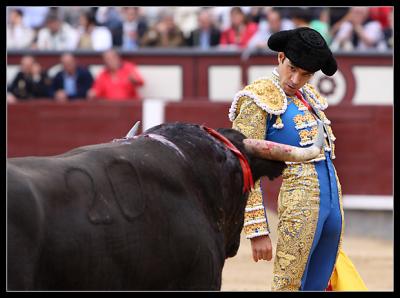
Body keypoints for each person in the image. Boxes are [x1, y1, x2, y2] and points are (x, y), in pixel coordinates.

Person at [229, 27, 366, 291]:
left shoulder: (310, 99)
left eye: (305, 75)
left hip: (332, 205)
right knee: (289, 285)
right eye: (292, 68)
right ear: (280, 57)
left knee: (320, 284)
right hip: (299, 204)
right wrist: (257, 229)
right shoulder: (257, 97)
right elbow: (242, 163)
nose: (295, 79)